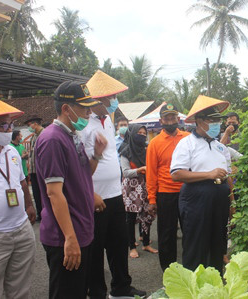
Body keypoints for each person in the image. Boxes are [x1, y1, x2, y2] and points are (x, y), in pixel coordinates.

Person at [34, 81, 107, 299]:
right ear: (66, 109)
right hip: (66, 235)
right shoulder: (52, 139)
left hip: (80, 229)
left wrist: (97, 154)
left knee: (77, 291)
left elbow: (84, 175)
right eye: (84, 108)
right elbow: (54, 193)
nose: (89, 112)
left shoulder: (72, 135)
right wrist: (70, 238)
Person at [85, 70, 145, 299]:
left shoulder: (107, 122)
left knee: (118, 244)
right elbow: (79, 165)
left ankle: (121, 288)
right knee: (95, 248)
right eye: (111, 97)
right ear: (97, 100)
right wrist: (89, 193)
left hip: (114, 194)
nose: (114, 101)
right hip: (95, 197)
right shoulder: (84, 126)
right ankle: (97, 292)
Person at [171, 95, 232, 274]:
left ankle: (214, 282)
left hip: (220, 198)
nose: (216, 124)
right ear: (198, 121)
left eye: (217, 120)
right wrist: (208, 174)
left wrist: (232, 201)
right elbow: (176, 174)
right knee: (196, 243)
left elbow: (228, 176)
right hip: (196, 198)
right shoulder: (186, 144)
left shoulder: (221, 147)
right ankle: (192, 285)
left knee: (217, 242)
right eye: (211, 120)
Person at [0, 95, 36, 299]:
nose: (9, 130)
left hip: (21, 228)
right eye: (3, 125)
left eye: (11, 125)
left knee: (20, 285)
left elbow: (22, 181)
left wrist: (30, 205)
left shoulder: (12, 152)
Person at [146, 103, 189, 271]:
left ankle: (190, 267)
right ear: (161, 120)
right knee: (166, 236)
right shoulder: (154, 144)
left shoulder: (187, 138)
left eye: (173, 117)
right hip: (165, 194)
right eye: (167, 118)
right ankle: (169, 271)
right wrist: (151, 199)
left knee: (190, 231)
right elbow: (151, 173)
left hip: (188, 192)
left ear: (178, 119)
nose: (170, 121)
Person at [120, 125, 158, 258]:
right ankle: (132, 246)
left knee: (147, 215)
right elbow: (125, 172)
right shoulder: (125, 151)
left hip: (147, 186)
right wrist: (139, 169)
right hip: (131, 189)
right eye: (139, 133)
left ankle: (146, 243)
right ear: (132, 134)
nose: (141, 135)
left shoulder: (147, 150)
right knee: (130, 218)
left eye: (144, 133)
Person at [25, 115, 44, 221]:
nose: (29, 127)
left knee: (44, 194)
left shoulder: (44, 134)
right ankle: (40, 214)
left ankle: (46, 213)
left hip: (41, 171)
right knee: (36, 194)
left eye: (29, 125)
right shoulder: (33, 136)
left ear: (35, 124)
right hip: (33, 171)